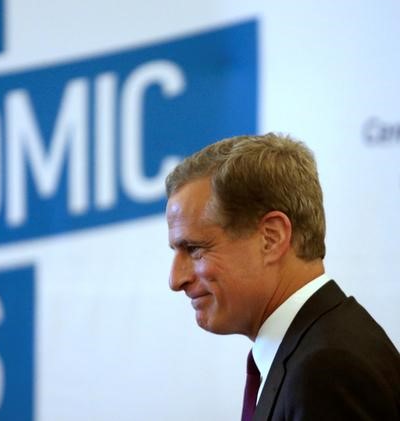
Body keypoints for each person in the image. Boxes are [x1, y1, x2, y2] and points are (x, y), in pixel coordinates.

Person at [165, 133, 400, 420]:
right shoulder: (313, 350)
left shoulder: (326, 369)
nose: (176, 279)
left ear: (271, 238)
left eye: (195, 249)